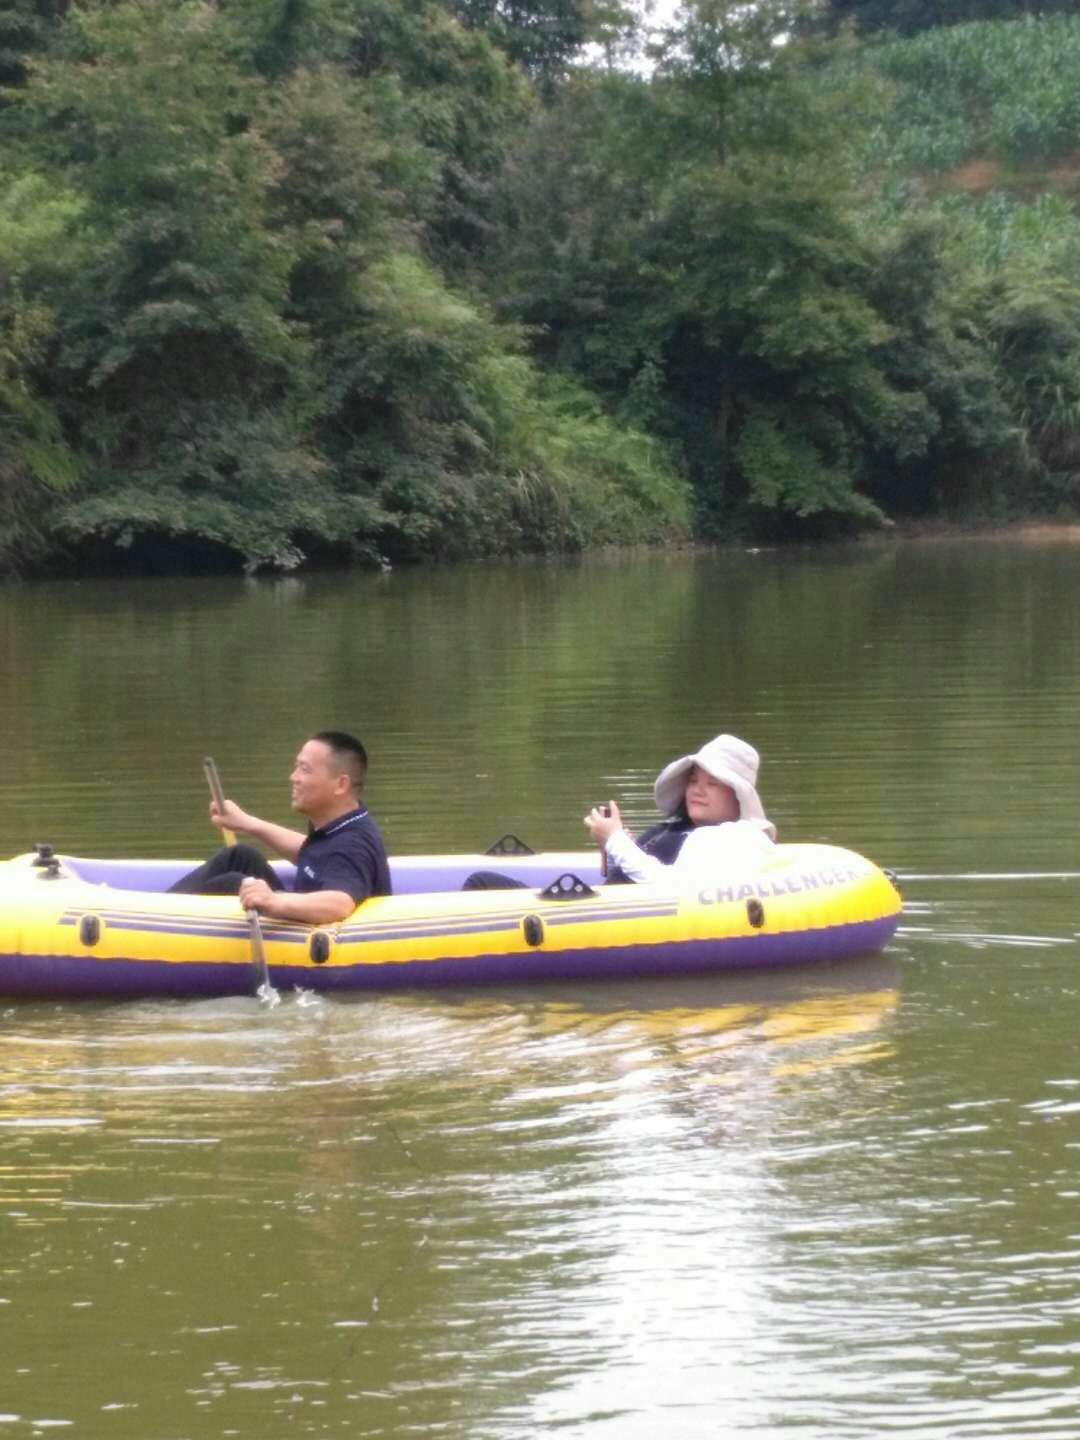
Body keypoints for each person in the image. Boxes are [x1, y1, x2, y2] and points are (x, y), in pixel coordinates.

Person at [169, 731, 391, 922]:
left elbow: (340, 904)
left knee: (234, 884)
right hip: (301, 917)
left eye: (305, 770)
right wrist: (247, 823)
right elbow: (315, 854)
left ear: (341, 784)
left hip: (315, 938)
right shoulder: (342, 826)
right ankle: (162, 906)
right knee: (242, 856)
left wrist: (273, 901)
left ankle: (162, 923)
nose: (293, 777)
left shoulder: (353, 845)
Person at [585, 733, 776, 888]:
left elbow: (670, 886)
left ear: (739, 796)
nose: (697, 790)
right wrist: (613, 848)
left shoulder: (738, 839)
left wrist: (615, 840)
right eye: (693, 780)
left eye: (712, 784)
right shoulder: (673, 830)